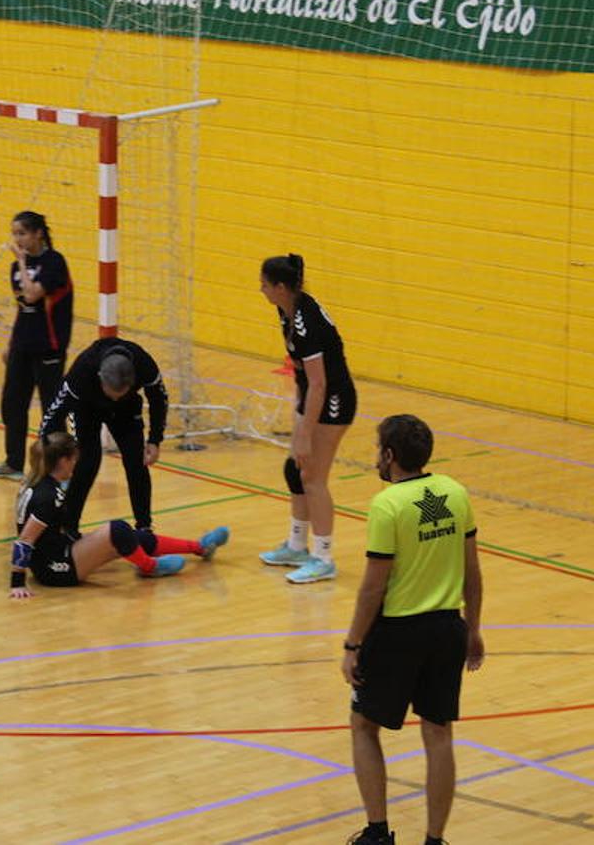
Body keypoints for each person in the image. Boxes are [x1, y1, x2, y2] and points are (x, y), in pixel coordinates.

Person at [341, 415, 485, 845]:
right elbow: (473, 572)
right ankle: (435, 840)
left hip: (397, 634)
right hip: (447, 629)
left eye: (377, 449)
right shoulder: (455, 493)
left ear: (389, 455)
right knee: (439, 733)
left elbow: (373, 587)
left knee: (363, 725)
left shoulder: (388, 505)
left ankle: (378, 833)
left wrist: (352, 644)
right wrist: (472, 629)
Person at [8, 433, 228, 595]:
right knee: (119, 530)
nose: (76, 464)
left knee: (132, 537)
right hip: (55, 569)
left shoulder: (38, 482)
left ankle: (199, 547)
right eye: (74, 459)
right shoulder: (47, 495)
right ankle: (149, 567)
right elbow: (25, 539)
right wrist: (17, 581)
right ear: (63, 460)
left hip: (58, 553)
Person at [256, 253, 358, 583]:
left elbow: (319, 382)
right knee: (296, 471)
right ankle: (297, 545)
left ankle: (323, 557)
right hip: (315, 397)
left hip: (333, 402)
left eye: (265, 285)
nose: (262, 290)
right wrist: (297, 413)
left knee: (313, 478)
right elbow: (302, 375)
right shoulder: (287, 310)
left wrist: (303, 432)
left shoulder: (305, 325)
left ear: (282, 287)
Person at [36, 336, 167, 536]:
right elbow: (54, 412)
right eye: (112, 392)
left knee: (136, 463)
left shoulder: (143, 364)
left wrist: (155, 439)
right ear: (100, 377)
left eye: (121, 392)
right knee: (87, 462)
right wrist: (47, 452)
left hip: (126, 411)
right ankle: (69, 526)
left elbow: (159, 399)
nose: (115, 397)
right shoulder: (82, 371)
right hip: (87, 409)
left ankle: (144, 526)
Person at [0, 211, 73, 482]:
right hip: (23, 345)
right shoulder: (16, 268)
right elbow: (24, 308)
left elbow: (34, 294)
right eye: (14, 234)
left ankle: (57, 467)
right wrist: (12, 342)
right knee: (12, 403)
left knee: (51, 409)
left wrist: (22, 261)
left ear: (38, 234)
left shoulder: (54, 262)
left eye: (22, 233)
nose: (17, 239)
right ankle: (13, 463)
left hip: (49, 347)